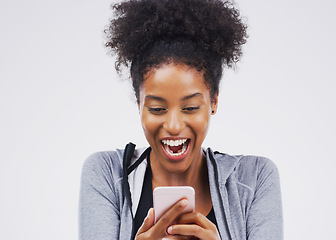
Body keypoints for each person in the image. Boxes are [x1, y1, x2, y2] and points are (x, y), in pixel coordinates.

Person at [78, 0, 283, 239]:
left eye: (190, 107)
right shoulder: (106, 174)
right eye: (157, 109)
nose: (174, 127)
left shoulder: (256, 178)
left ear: (214, 101)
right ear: (139, 103)